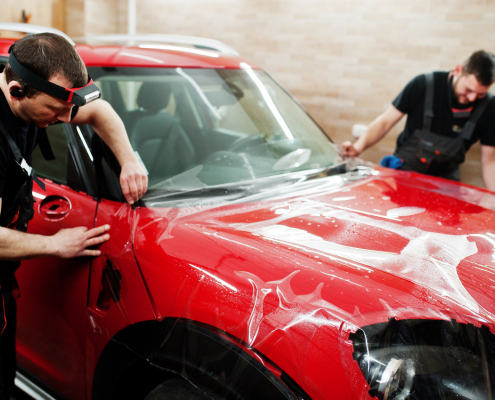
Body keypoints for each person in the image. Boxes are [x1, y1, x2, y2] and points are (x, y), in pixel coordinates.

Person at [0, 33, 148, 398]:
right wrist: (55, 244)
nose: (68, 119)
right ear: (18, 91)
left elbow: (99, 110)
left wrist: (129, 159)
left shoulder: (32, 92)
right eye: (56, 111)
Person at [342, 50, 495, 190]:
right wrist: (358, 147)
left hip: (445, 184)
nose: (472, 98)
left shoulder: (489, 107)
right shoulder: (423, 85)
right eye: (468, 90)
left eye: (480, 94)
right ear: (458, 70)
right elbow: (385, 122)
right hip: (403, 177)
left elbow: (490, 161)